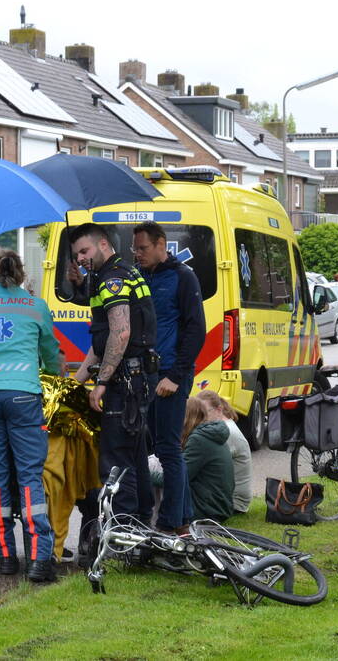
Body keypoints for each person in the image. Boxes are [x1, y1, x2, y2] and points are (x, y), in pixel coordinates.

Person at [0, 249, 61, 582]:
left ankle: (5, 554)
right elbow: (50, 354)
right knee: (29, 475)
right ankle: (39, 559)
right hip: (23, 395)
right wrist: (47, 368)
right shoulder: (35, 306)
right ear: (21, 273)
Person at [69, 223, 158, 532]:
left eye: (84, 251)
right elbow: (102, 340)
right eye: (76, 254)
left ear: (103, 244)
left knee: (117, 462)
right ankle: (142, 526)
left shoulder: (112, 279)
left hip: (125, 382)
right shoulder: (124, 272)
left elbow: (121, 333)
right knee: (135, 457)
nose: (80, 258)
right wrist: (77, 380)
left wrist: (102, 382)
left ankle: (124, 533)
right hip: (137, 377)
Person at [131, 221, 206, 533]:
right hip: (149, 374)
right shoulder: (139, 277)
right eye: (134, 248)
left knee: (168, 449)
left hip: (171, 375)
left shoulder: (183, 277)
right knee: (160, 447)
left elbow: (196, 330)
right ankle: (184, 518)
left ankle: (169, 523)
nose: (137, 254)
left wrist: (175, 376)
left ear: (162, 244)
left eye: (143, 248)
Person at [196, 390, 252, 514]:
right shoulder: (225, 427)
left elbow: (201, 464)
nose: (201, 418)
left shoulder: (227, 432)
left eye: (205, 413)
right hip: (231, 498)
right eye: (199, 413)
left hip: (234, 503)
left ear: (219, 410)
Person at [181, 398, 235, 523]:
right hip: (220, 506)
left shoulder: (199, 439)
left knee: (155, 469)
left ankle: (155, 521)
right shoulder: (210, 433)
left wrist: (145, 474)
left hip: (207, 511)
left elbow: (179, 478)